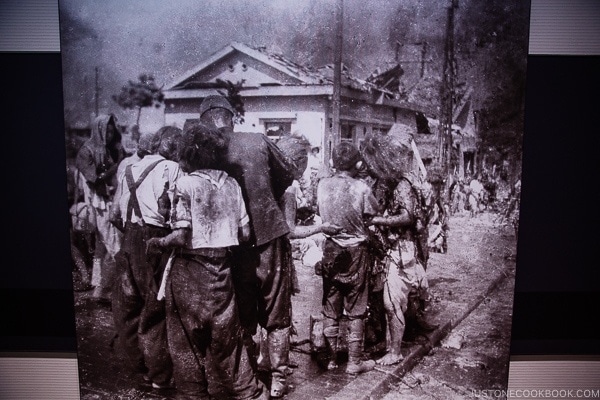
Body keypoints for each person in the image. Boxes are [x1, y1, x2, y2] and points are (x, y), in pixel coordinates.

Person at [146, 122, 268, 400]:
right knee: (228, 341)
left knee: (185, 343)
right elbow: (245, 232)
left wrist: (158, 242)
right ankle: (249, 392)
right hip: (221, 273)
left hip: (189, 271)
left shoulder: (185, 184)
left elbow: (180, 235)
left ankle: (193, 395)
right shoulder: (232, 184)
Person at [198, 95, 296, 398]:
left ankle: (249, 371)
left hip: (231, 242)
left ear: (206, 121)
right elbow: (287, 174)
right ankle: (279, 378)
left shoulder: (206, 150)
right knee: (277, 310)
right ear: (231, 117)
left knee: (241, 309)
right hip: (269, 232)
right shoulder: (257, 139)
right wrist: (263, 196)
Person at [109, 125, 183, 390]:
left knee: (128, 306)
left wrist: (133, 236)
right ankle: (159, 376)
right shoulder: (171, 168)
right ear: (171, 147)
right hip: (156, 241)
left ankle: (138, 366)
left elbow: (114, 215)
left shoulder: (128, 167)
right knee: (156, 308)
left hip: (130, 238)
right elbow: (176, 214)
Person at [360, 133, 438, 366]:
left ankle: (395, 351)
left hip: (402, 250)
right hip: (393, 250)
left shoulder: (403, 185)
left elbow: (408, 216)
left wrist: (378, 221)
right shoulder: (391, 182)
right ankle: (390, 344)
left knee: (392, 301)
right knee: (387, 300)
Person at [315, 142, 380, 375]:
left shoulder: (322, 185)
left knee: (331, 305)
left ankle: (331, 359)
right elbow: (372, 215)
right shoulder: (361, 188)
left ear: (333, 163)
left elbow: (318, 211)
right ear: (358, 164)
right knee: (357, 307)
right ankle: (354, 362)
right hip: (356, 252)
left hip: (332, 250)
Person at [75, 113, 126, 303]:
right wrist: (117, 166)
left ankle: (100, 287)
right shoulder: (86, 151)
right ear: (99, 130)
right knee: (111, 243)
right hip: (99, 201)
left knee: (103, 245)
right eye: (107, 131)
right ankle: (119, 287)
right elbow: (93, 178)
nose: (110, 135)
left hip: (114, 198)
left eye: (113, 131)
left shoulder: (113, 149)